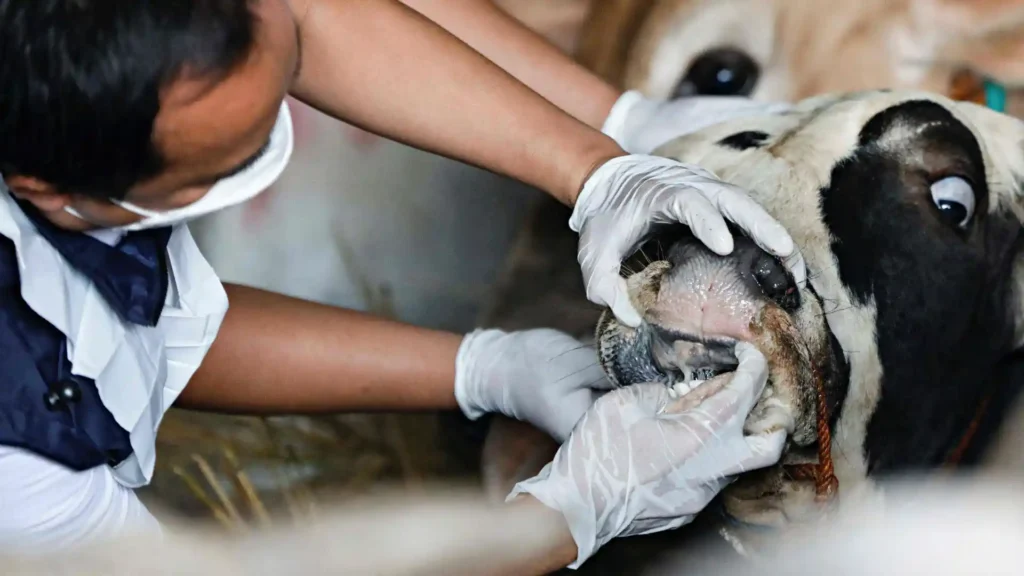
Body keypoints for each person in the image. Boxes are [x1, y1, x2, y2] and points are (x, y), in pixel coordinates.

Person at [0, 0, 793, 569]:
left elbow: (158, 335)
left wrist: (602, 157)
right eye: (228, 159)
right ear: (46, 190)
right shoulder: (21, 477)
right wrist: (568, 513)